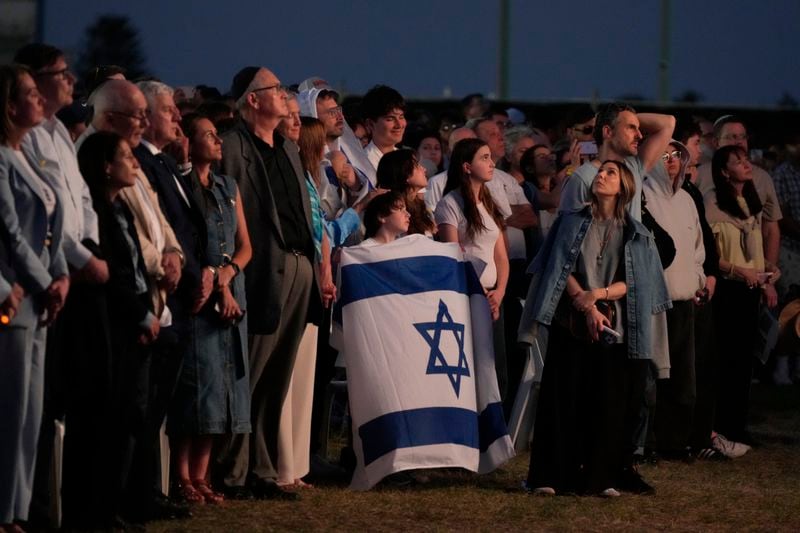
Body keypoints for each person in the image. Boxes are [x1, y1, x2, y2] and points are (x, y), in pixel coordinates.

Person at [519, 160, 670, 497]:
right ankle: (551, 476)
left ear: (624, 188)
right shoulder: (570, 222)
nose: (601, 175)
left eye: (610, 173)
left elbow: (638, 282)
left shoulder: (637, 232)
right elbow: (557, 264)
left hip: (615, 327)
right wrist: (584, 303)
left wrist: (598, 297)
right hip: (571, 322)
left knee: (608, 402)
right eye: (600, 171)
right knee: (563, 398)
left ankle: (601, 478)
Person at [214, 66, 322, 501]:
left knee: (276, 377)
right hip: (259, 269)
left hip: (299, 265)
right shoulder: (233, 147)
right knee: (250, 374)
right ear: (252, 100)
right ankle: (232, 471)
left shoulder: (288, 148)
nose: (283, 93)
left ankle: (262, 468)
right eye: (274, 88)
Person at [14, 43, 109, 528]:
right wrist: (75, 260)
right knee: (33, 403)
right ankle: (26, 507)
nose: (70, 80)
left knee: (57, 399)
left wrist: (88, 252)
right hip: (42, 282)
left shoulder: (57, 132)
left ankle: (48, 505)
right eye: (60, 73)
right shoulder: (24, 139)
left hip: (73, 275)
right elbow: (34, 220)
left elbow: (82, 204)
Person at [165, 113, 252, 505]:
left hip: (228, 292)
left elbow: (244, 245)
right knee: (193, 387)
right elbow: (187, 243)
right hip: (198, 297)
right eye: (209, 135)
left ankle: (202, 475)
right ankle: (182, 475)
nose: (218, 141)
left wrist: (228, 275)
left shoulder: (228, 186)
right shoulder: (179, 186)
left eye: (219, 135)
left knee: (223, 386)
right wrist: (216, 281)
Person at [76, 131, 160, 526]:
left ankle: (118, 506)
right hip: (115, 328)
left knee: (132, 420)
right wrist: (140, 315)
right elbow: (115, 274)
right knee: (110, 422)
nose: (135, 162)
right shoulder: (98, 211)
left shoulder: (121, 209)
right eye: (126, 155)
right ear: (106, 166)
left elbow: (136, 269)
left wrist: (148, 310)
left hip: (138, 321)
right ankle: (100, 510)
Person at [0, 63, 69, 533]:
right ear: (9, 105)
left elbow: (53, 225)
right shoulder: (2, 159)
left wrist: (60, 274)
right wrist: (45, 279)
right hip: (18, 293)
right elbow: (9, 228)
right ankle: (3, 511)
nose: (39, 100)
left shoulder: (30, 158)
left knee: (32, 411)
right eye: (30, 93)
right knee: (11, 409)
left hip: (43, 292)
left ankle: (18, 509)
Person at [705, 145, 780, 446]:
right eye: (738, 162)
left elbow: (759, 250)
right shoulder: (713, 204)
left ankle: (738, 424)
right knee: (725, 358)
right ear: (724, 171)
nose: (746, 165)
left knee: (745, 361)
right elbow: (712, 255)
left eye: (746, 159)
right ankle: (719, 425)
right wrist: (739, 271)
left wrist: (767, 277)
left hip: (750, 289)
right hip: (728, 289)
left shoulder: (751, 203)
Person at [643, 142, 708, 461]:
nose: (670, 162)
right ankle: (648, 441)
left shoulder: (686, 199)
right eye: (663, 156)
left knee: (684, 377)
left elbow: (697, 246)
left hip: (684, 299)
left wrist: (697, 279)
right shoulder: (643, 197)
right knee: (653, 375)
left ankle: (675, 441)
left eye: (676, 156)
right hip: (655, 300)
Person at [435, 138, 509, 398]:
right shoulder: (450, 204)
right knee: (474, 369)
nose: (492, 163)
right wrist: (480, 295)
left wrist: (499, 292)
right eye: (484, 158)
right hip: (469, 296)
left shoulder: (488, 203)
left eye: (491, 157)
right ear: (467, 166)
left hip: (492, 297)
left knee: (496, 370)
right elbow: (452, 254)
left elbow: (501, 256)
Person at [376, 149, 435, 236]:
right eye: (417, 166)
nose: (424, 169)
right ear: (405, 174)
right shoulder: (393, 211)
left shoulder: (421, 206)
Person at [362, 85, 406, 172]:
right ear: (370, 124)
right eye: (390, 119)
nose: (399, 125)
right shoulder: (364, 163)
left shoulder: (405, 159)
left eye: (401, 117)